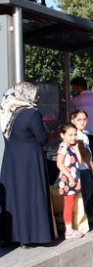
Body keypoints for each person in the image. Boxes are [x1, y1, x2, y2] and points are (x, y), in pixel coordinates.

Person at [0, 82, 56, 248]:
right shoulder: (32, 114)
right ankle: (30, 236)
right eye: (35, 94)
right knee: (30, 196)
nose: (38, 97)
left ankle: (11, 236)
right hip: (30, 160)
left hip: (11, 160)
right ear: (28, 96)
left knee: (13, 198)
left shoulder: (7, 113)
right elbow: (42, 138)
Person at [70, 77, 93, 195]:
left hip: (82, 135)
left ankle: (90, 190)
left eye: (74, 87)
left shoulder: (76, 100)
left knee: (84, 165)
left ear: (79, 86)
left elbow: (71, 116)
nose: (74, 90)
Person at [55, 123, 84, 240]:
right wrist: (70, 177)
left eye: (75, 135)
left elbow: (80, 162)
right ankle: (68, 230)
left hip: (74, 178)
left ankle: (70, 228)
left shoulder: (72, 147)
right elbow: (59, 163)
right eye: (70, 135)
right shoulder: (63, 147)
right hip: (68, 180)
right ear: (62, 135)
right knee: (68, 204)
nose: (73, 137)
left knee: (71, 204)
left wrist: (77, 149)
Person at [71, 110, 93, 216]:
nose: (82, 122)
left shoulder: (80, 134)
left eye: (84, 119)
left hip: (81, 168)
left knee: (84, 194)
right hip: (82, 168)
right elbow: (82, 152)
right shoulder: (78, 135)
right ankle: (83, 218)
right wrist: (91, 165)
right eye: (79, 119)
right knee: (85, 194)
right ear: (73, 121)